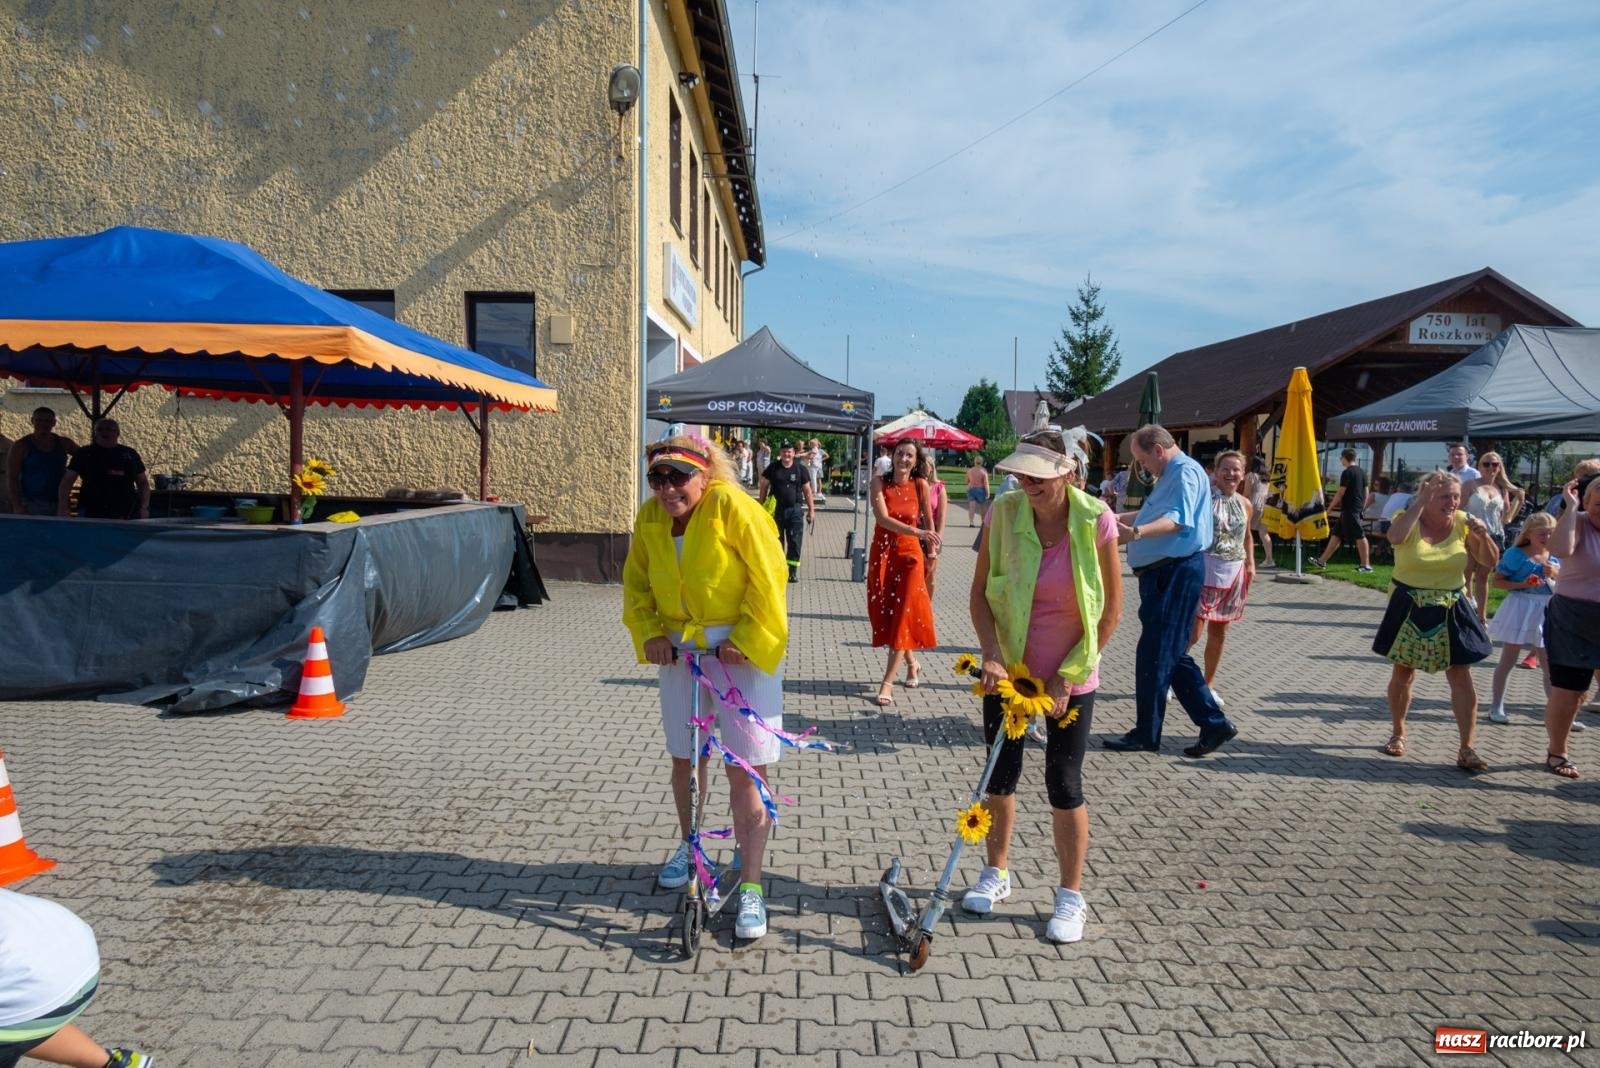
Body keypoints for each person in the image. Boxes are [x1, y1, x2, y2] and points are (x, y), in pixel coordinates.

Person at [622, 436, 789, 939]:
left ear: (705, 475)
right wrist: (649, 631)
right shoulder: (650, 517)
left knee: (744, 766)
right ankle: (690, 843)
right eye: (658, 478)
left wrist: (746, 638)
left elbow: (770, 576)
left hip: (738, 647)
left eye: (679, 477)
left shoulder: (735, 508)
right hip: (679, 647)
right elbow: (636, 583)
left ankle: (754, 885)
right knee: (685, 755)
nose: (668, 488)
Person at [962, 428, 1123, 942]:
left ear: (1068, 472)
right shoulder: (1003, 513)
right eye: (1020, 472)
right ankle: (997, 872)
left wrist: (1063, 679)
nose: (1024, 481)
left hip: (1072, 672)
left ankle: (1071, 896)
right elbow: (981, 596)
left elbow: (1110, 613)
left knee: (1064, 779)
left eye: (1037, 474)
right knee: (1000, 772)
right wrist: (990, 656)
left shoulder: (1096, 520)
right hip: (1009, 670)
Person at [1105, 425, 1239, 758]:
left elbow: (1177, 522)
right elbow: (1158, 515)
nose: (1142, 467)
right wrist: (1114, 518)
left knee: (1155, 653)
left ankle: (1150, 733)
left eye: (1142, 460)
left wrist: (1132, 534)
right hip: (1165, 573)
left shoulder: (1183, 473)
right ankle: (1212, 723)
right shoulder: (1176, 473)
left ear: (1158, 450)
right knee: (1169, 654)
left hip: (1175, 573)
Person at [1374, 471, 1499, 769]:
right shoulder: (1408, 517)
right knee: (1403, 673)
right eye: (1445, 496)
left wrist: (1483, 535)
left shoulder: (1463, 522)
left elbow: (1490, 562)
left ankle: (1467, 748)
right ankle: (1398, 733)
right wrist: (1419, 503)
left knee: (1460, 675)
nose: (1452, 502)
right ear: (1427, 496)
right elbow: (1394, 538)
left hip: (1452, 604)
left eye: (1456, 496)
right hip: (1408, 603)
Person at [0, 887, 152, 1068]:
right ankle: (118, 1064)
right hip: (76, 951)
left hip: (30, 986)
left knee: (19, 1019)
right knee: (24, 1024)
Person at [867, 440, 937, 706]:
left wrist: (931, 555)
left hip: (910, 557)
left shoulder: (921, 485)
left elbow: (929, 524)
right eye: (900, 454)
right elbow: (883, 518)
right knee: (888, 616)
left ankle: (887, 683)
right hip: (883, 554)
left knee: (904, 615)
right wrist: (918, 532)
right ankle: (912, 662)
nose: (903, 459)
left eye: (909, 455)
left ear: (915, 460)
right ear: (892, 456)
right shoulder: (878, 483)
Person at [1541, 475, 1600, 779]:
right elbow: (1560, 550)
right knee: (1570, 692)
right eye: (1598, 504)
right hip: (1573, 618)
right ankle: (1557, 750)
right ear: (1587, 502)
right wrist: (1571, 506)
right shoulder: (1577, 521)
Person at [1190, 450, 1254, 706]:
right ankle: (1170, 676)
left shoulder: (1245, 503)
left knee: (1220, 633)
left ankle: (1208, 684)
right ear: (1215, 472)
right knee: (1193, 633)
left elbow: (1247, 535)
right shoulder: (1204, 498)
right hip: (1205, 569)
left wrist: (1251, 562)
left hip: (1233, 572)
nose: (1231, 474)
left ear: (1243, 474)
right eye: (1225, 469)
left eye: (1236, 469)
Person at [1485, 513, 1558, 725]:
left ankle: (1557, 712)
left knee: (1548, 663)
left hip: (1547, 607)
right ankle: (1496, 706)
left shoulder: (1556, 555)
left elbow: (1567, 580)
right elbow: (1498, 582)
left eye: (1551, 533)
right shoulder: (1515, 554)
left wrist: (1555, 573)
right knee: (1509, 658)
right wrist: (1523, 584)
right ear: (1529, 533)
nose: (1546, 537)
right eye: (1542, 533)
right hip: (1520, 605)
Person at [1460, 451, 1523, 620]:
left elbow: (1507, 517)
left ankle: (1481, 615)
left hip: (1494, 535)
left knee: (1483, 576)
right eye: (1486, 464)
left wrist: (1520, 500)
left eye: (1494, 464)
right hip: (1472, 532)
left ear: (1499, 467)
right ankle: (1467, 608)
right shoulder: (1470, 485)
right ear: (1479, 466)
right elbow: (1458, 509)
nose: (1490, 467)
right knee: (1467, 573)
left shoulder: (1502, 489)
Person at [58, 419, 148, 520]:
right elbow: (67, 481)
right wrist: (63, 507)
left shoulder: (129, 454)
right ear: (95, 433)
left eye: (109, 429)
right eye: (100, 429)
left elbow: (143, 482)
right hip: (90, 511)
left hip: (125, 511)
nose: (104, 432)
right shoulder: (84, 453)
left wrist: (144, 507)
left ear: (118, 433)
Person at [758, 442, 814, 583]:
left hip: (795, 511)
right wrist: (761, 506)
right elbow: (764, 486)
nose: (786, 454)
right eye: (784, 452)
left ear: (794, 453)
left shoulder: (800, 469)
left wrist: (811, 511)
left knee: (794, 542)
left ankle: (792, 572)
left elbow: (808, 491)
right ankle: (778, 569)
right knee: (777, 542)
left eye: (789, 452)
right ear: (780, 453)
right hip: (776, 511)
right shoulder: (773, 468)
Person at [7, 407, 79, 516]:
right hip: (30, 503)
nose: (43, 424)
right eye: (39, 420)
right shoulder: (21, 446)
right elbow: (12, 478)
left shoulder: (64, 443)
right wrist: (17, 506)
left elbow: (85, 458)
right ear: (32, 421)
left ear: (54, 423)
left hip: (59, 503)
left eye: (47, 421)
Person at [1309, 448, 1371, 572]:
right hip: (1353, 509)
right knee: (1336, 535)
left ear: (1344, 458)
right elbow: (1366, 492)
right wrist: (1362, 508)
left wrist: (1330, 508)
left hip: (1350, 509)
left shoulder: (1347, 473)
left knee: (1360, 536)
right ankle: (1322, 561)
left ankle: (1366, 565)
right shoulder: (1362, 472)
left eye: (1341, 458)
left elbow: (1340, 492)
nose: (1340, 460)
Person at [919, 449, 948, 596]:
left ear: (932, 468)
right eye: (921, 465)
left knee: (930, 575)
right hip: (916, 532)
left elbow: (942, 517)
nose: (924, 468)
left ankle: (927, 605)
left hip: (932, 534)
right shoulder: (915, 485)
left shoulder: (939, 488)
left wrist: (938, 539)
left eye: (926, 465)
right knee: (915, 573)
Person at [1244, 462, 1274, 568]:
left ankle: (1245, 558)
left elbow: (1246, 493)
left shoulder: (1251, 476)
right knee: (1264, 533)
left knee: (1245, 531)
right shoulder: (1267, 478)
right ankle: (1269, 559)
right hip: (1265, 505)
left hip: (1253, 504)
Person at [964, 456, 990, 526]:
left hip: (971, 489)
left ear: (974, 462)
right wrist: (988, 492)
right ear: (982, 462)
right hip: (980, 490)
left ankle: (971, 522)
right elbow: (986, 483)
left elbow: (966, 481)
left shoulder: (970, 470)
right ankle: (983, 522)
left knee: (971, 506)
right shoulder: (983, 471)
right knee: (982, 507)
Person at [805, 438, 829, 504]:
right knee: (812, 479)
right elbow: (810, 458)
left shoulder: (819, 450)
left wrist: (821, 459)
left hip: (818, 467)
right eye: (810, 444)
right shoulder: (812, 450)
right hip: (814, 466)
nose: (810, 445)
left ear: (815, 444)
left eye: (811, 444)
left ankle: (818, 492)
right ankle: (814, 491)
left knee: (817, 480)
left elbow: (827, 456)